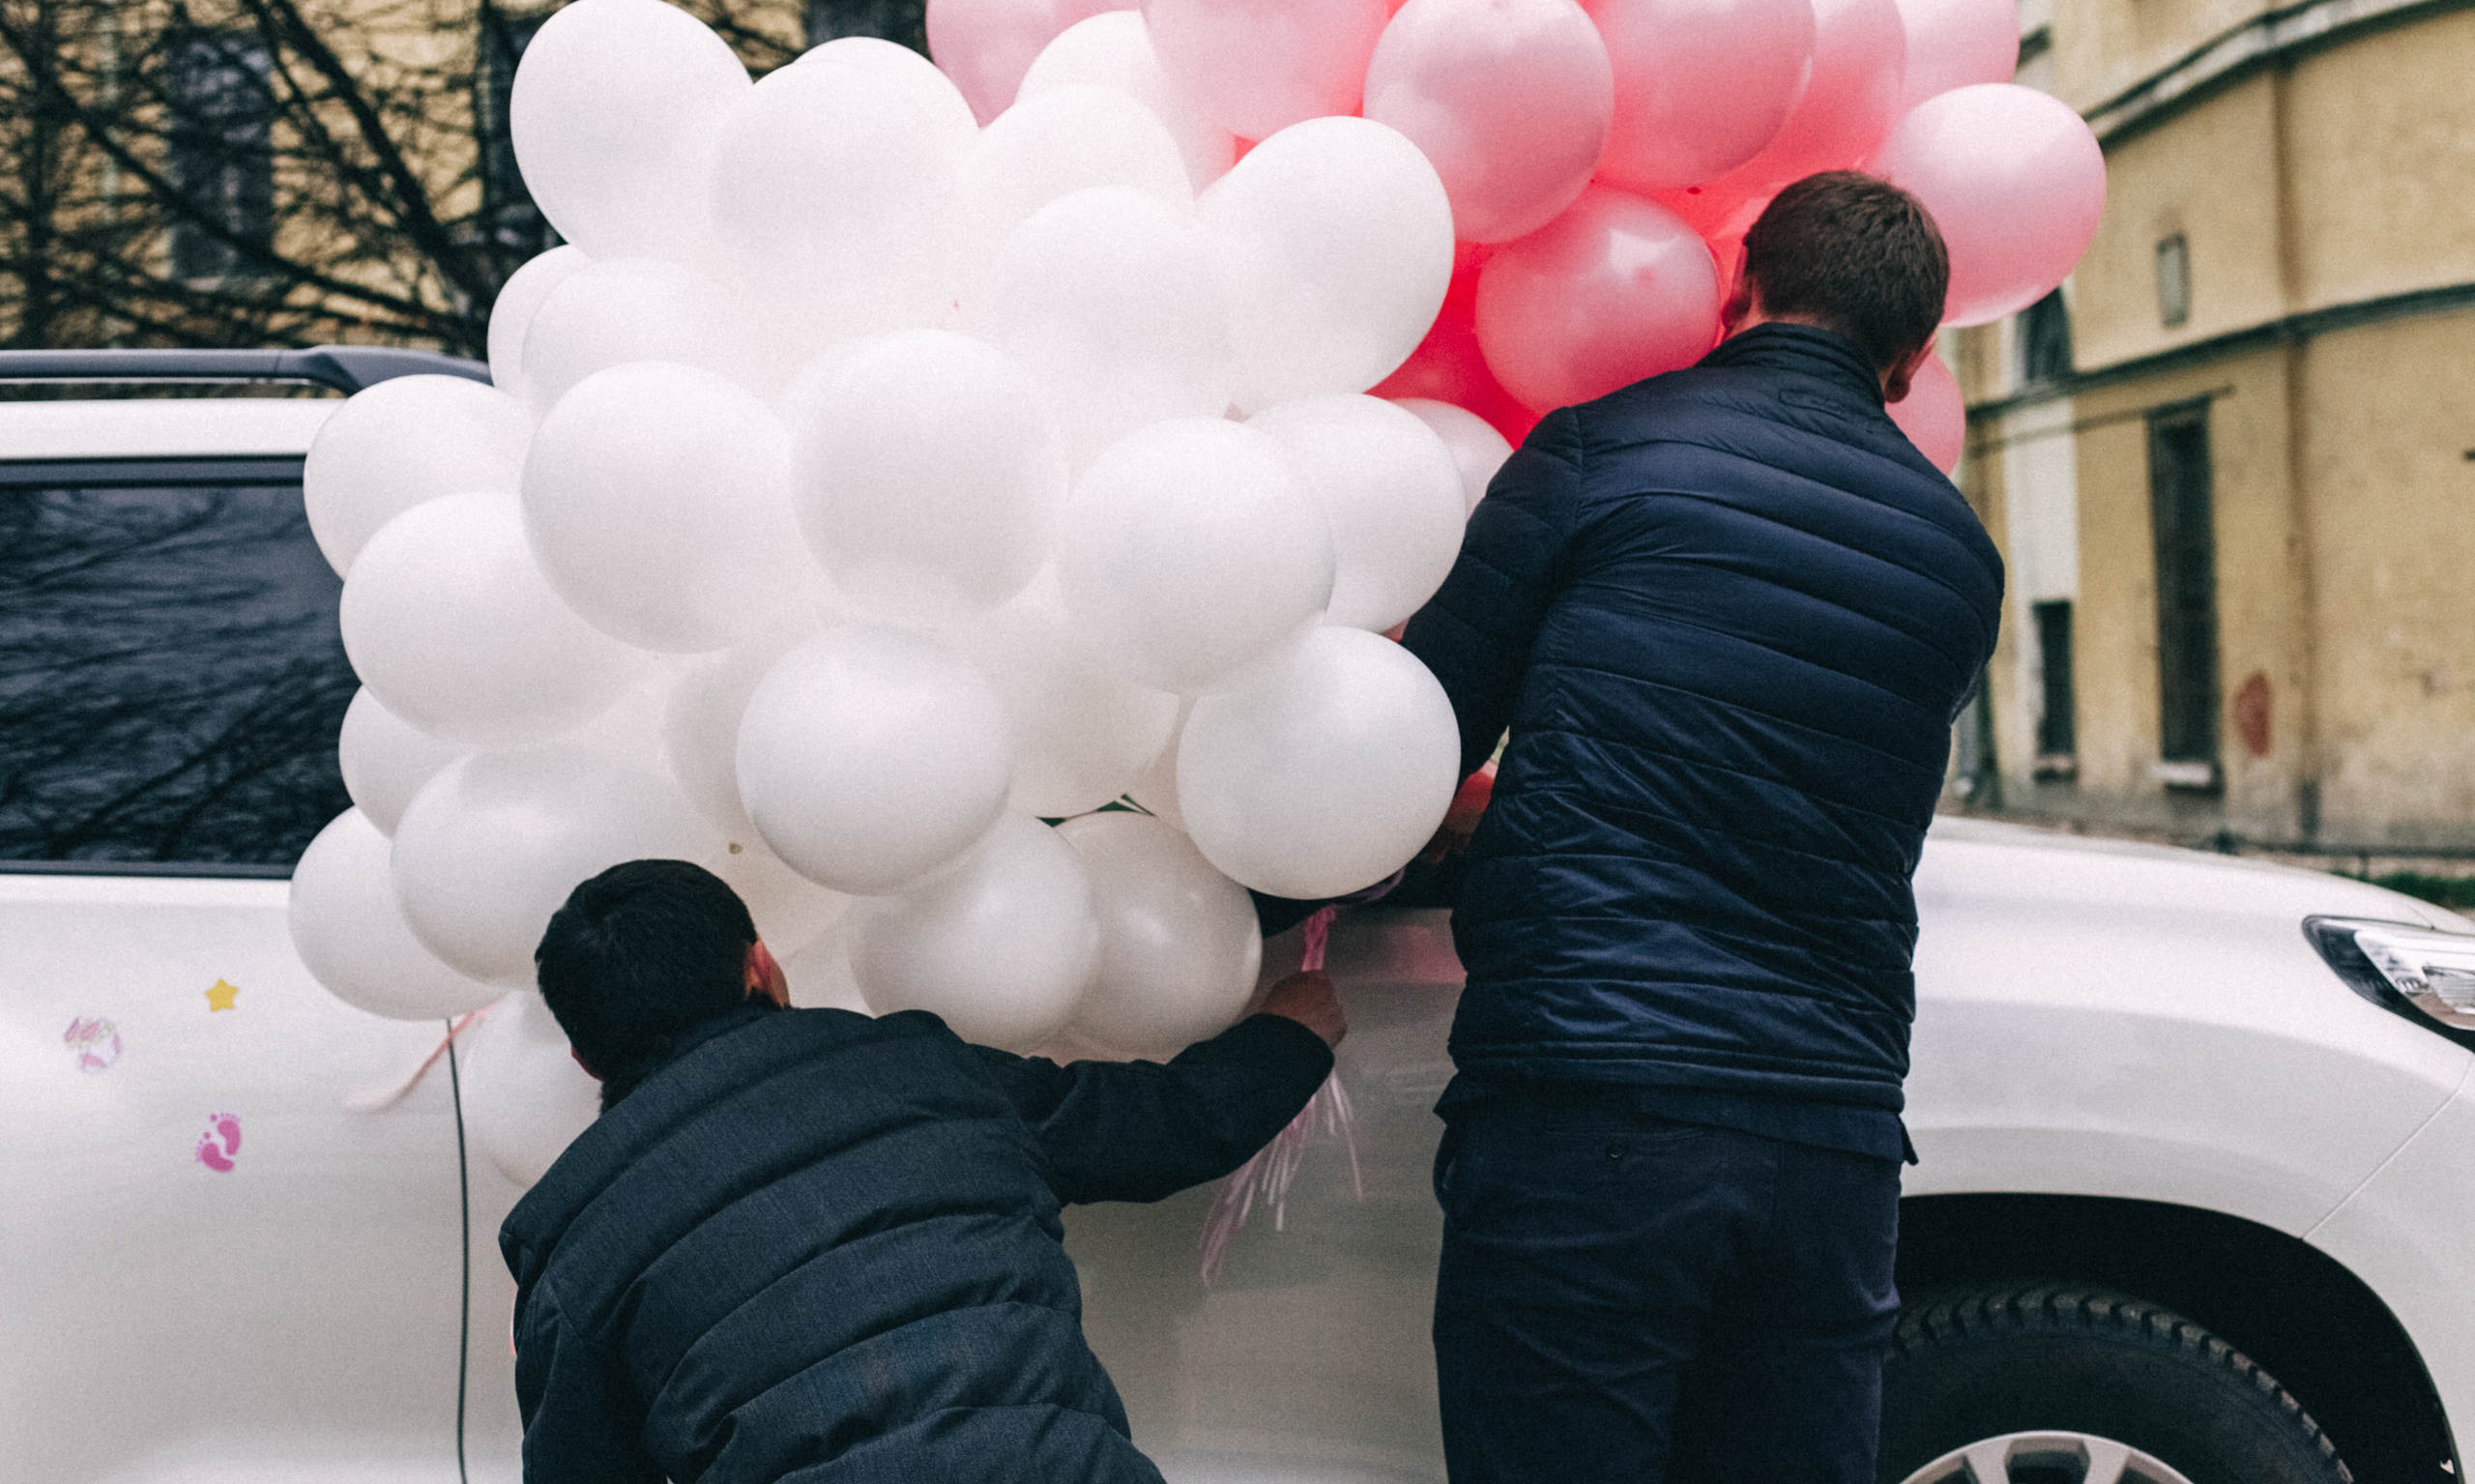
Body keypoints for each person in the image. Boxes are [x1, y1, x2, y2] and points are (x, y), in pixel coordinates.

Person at [1398, 170, 2006, 1481]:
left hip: (1591, 1093)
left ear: (1736, 285)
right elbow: (1837, 777)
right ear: (1911, 360)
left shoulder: (1594, 448)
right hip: (1830, 1136)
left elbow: (1412, 731)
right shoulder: (1957, 552)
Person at [500, 858, 1345, 1484]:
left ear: (583, 1055)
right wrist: (1292, 1032)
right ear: (761, 964)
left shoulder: (574, 1249)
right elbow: (1164, 1127)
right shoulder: (928, 1070)